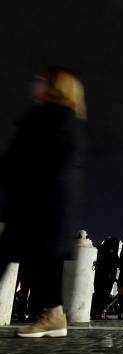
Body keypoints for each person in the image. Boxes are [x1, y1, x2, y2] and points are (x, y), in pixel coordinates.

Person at [0, 68, 86, 338]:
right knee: (41, 263)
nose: (35, 82)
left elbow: (25, 160)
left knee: (18, 258)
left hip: (38, 204)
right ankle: (55, 316)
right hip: (45, 204)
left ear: (55, 87)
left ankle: (55, 316)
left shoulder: (51, 117)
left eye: (42, 79)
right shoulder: (62, 118)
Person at [91, 237, 120, 320]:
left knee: (98, 295)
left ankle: (95, 313)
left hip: (98, 276)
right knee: (104, 296)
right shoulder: (112, 251)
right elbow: (117, 263)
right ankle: (102, 314)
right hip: (108, 277)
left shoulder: (99, 249)